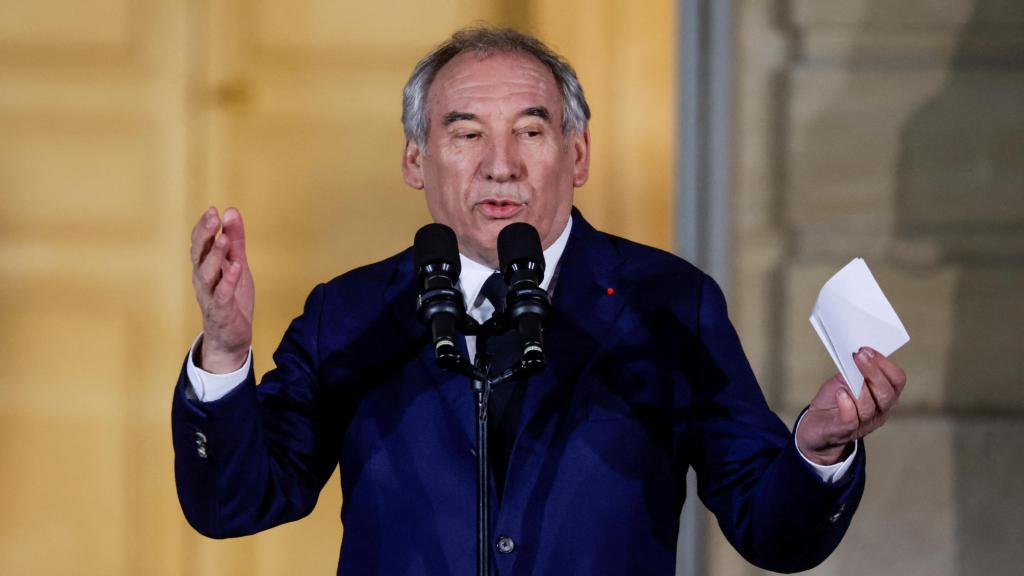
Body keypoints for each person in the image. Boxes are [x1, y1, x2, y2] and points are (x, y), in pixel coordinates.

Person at [173, 26, 907, 575]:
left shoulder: (668, 304)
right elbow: (234, 501)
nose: (501, 165)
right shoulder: (351, 312)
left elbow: (772, 531)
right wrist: (226, 356)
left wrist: (819, 448)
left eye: (531, 130)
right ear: (413, 159)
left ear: (578, 154)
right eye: (465, 134)